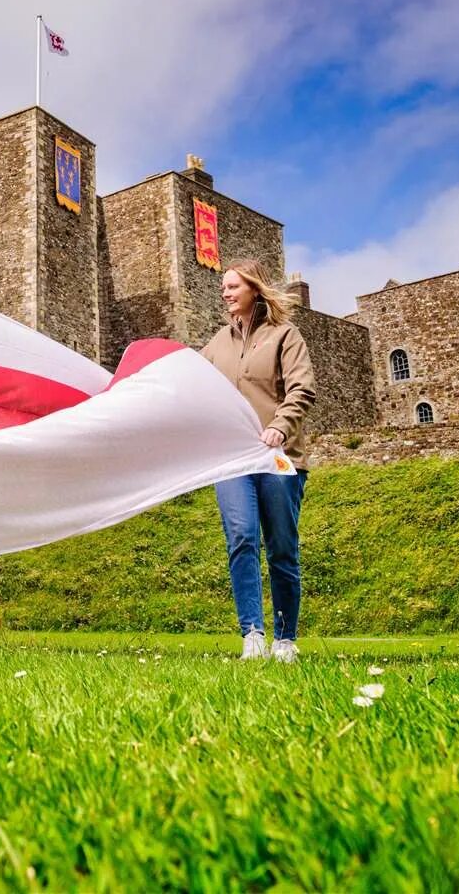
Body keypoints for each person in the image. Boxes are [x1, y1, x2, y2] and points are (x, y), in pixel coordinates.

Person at [201, 258, 316, 662]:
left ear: (254, 289)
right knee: (242, 538)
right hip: (233, 461)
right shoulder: (217, 343)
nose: (226, 293)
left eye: (233, 286)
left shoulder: (285, 335)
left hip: (279, 458)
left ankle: (285, 638)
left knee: (281, 547)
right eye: (224, 288)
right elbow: (189, 384)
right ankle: (252, 633)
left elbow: (301, 390)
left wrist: (281, 427)